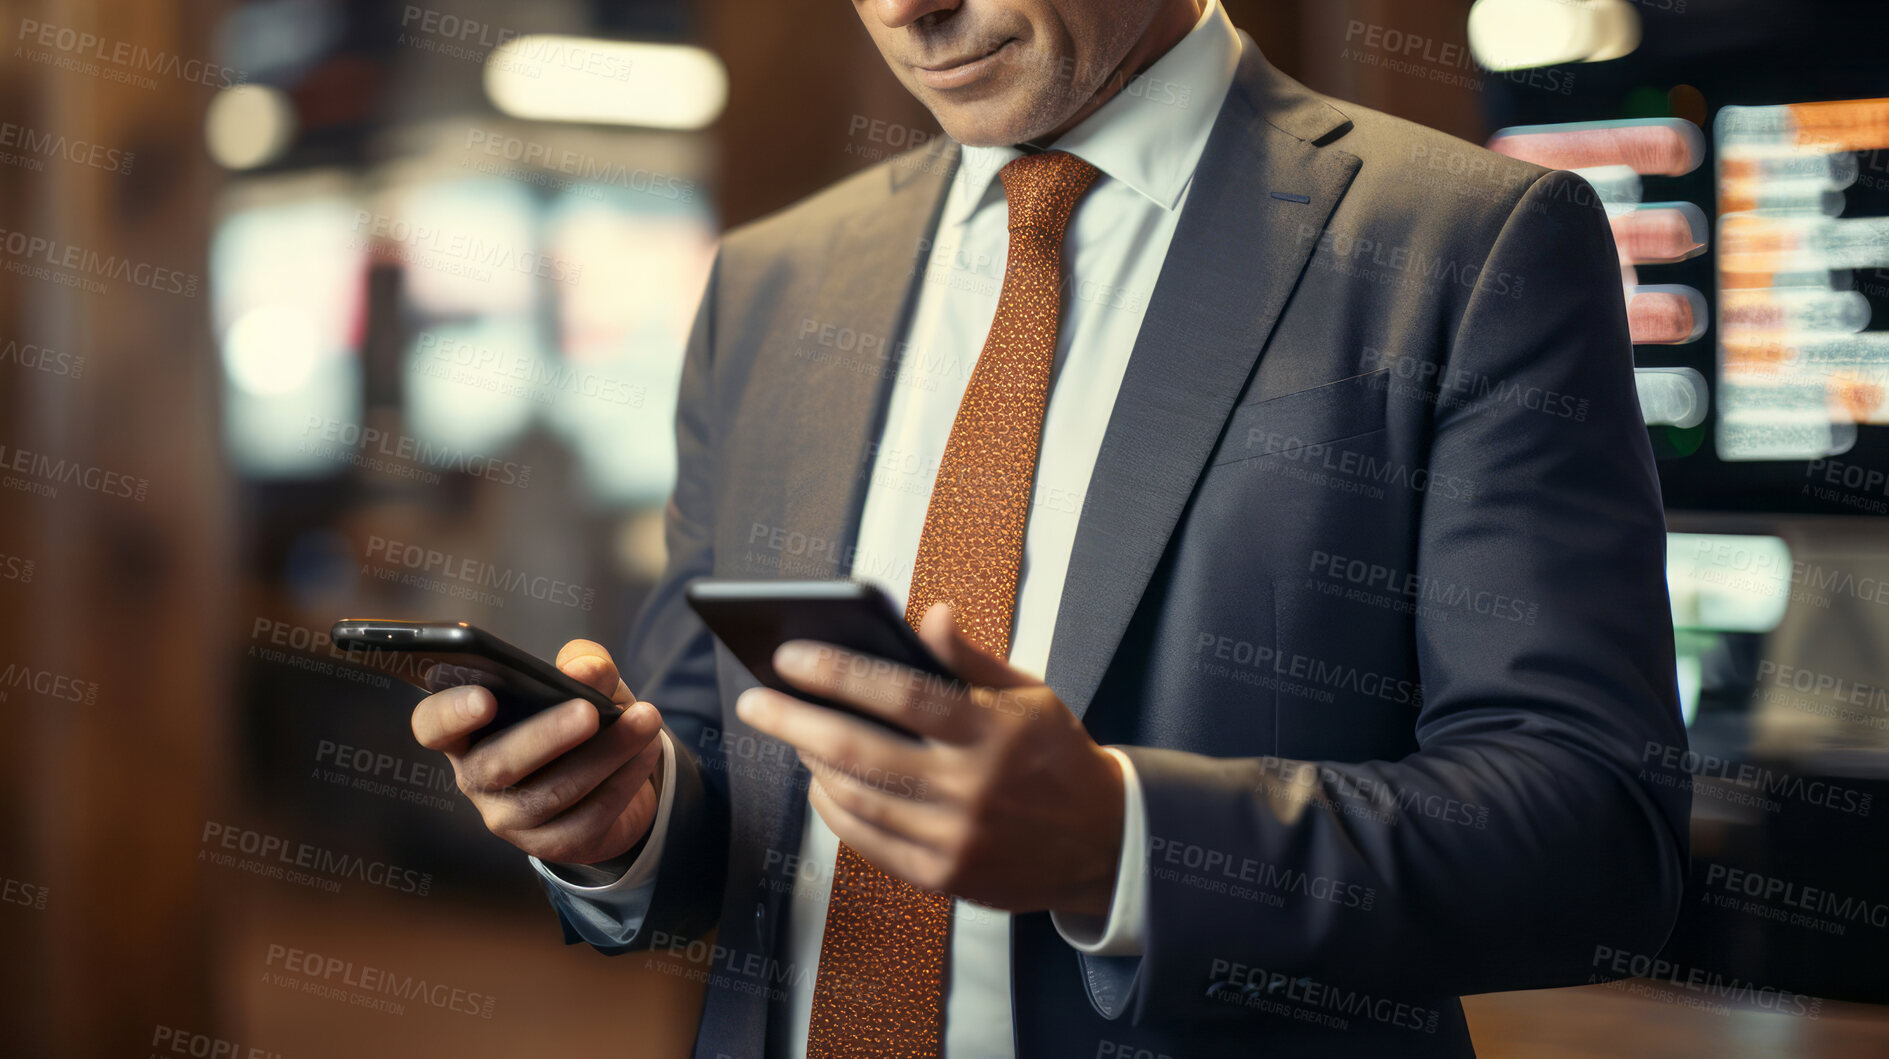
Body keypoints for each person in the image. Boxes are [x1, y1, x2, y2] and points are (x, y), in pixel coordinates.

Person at [410, 0, 1691, 1054]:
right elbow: (719, 766)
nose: (912, 14)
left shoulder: (1460, 244)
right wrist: (617, 821)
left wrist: (1116, 840)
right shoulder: (772, 283)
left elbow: (1591, 836)